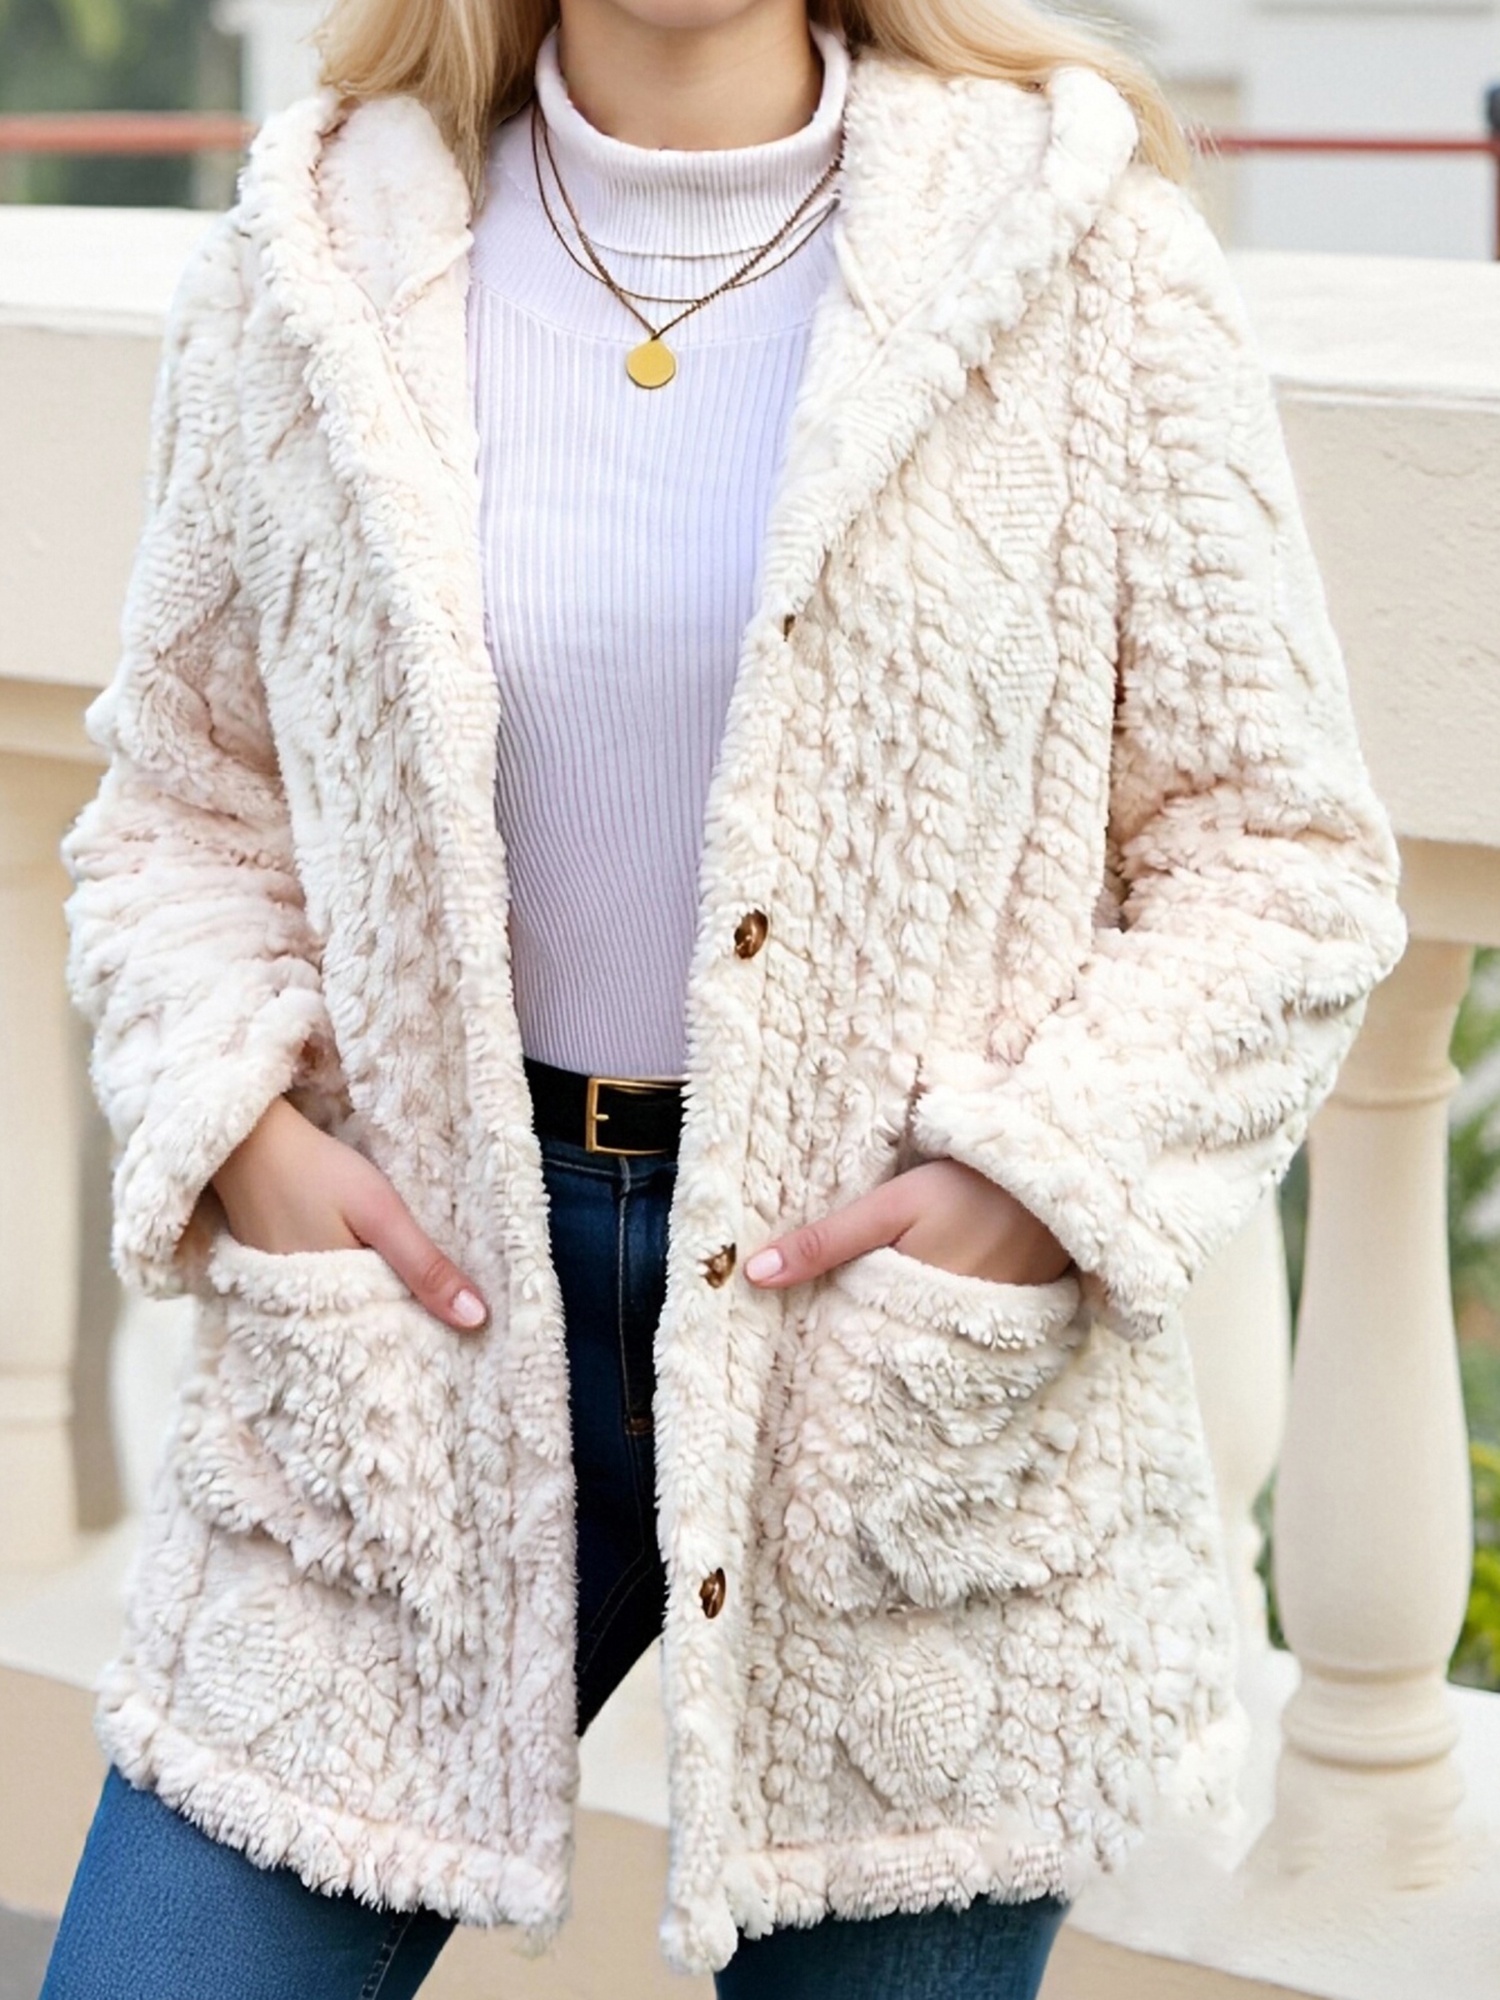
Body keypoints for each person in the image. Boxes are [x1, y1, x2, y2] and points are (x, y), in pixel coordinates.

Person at [40, 0, 1408, 1993]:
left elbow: (1281, 852)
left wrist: (1031, 1182)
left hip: (886, 1356)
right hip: (414, 1315)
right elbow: (182, 804)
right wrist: (244, 1132)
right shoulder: (310, 250)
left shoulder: (1078, 248)